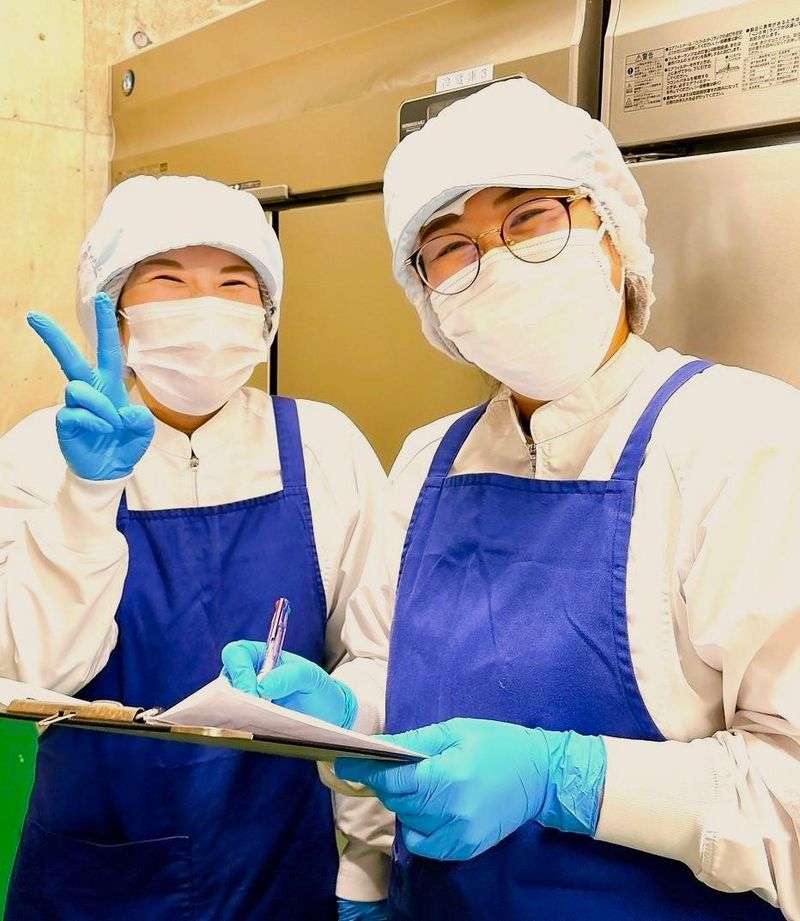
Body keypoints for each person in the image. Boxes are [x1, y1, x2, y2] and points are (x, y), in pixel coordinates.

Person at [223, 79, 800, 919]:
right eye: (450, 247)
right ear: (429, 297)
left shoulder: (744, 439)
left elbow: (789, 788)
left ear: (611, 229)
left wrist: (567, 779)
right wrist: (347, 710)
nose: (493, 262)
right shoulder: (430, 459)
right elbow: (391, 666)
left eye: (529, 216)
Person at [0, 175, 390, 920]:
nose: (205, 306)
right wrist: (86, 497)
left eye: (235, 283)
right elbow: (30, 671)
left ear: (267, 313)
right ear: (112, 307)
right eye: (169, 280)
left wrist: (369, 864)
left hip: (282, 869)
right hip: (91, 878)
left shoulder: (325, 446)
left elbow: (379, 655)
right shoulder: (41, 453)